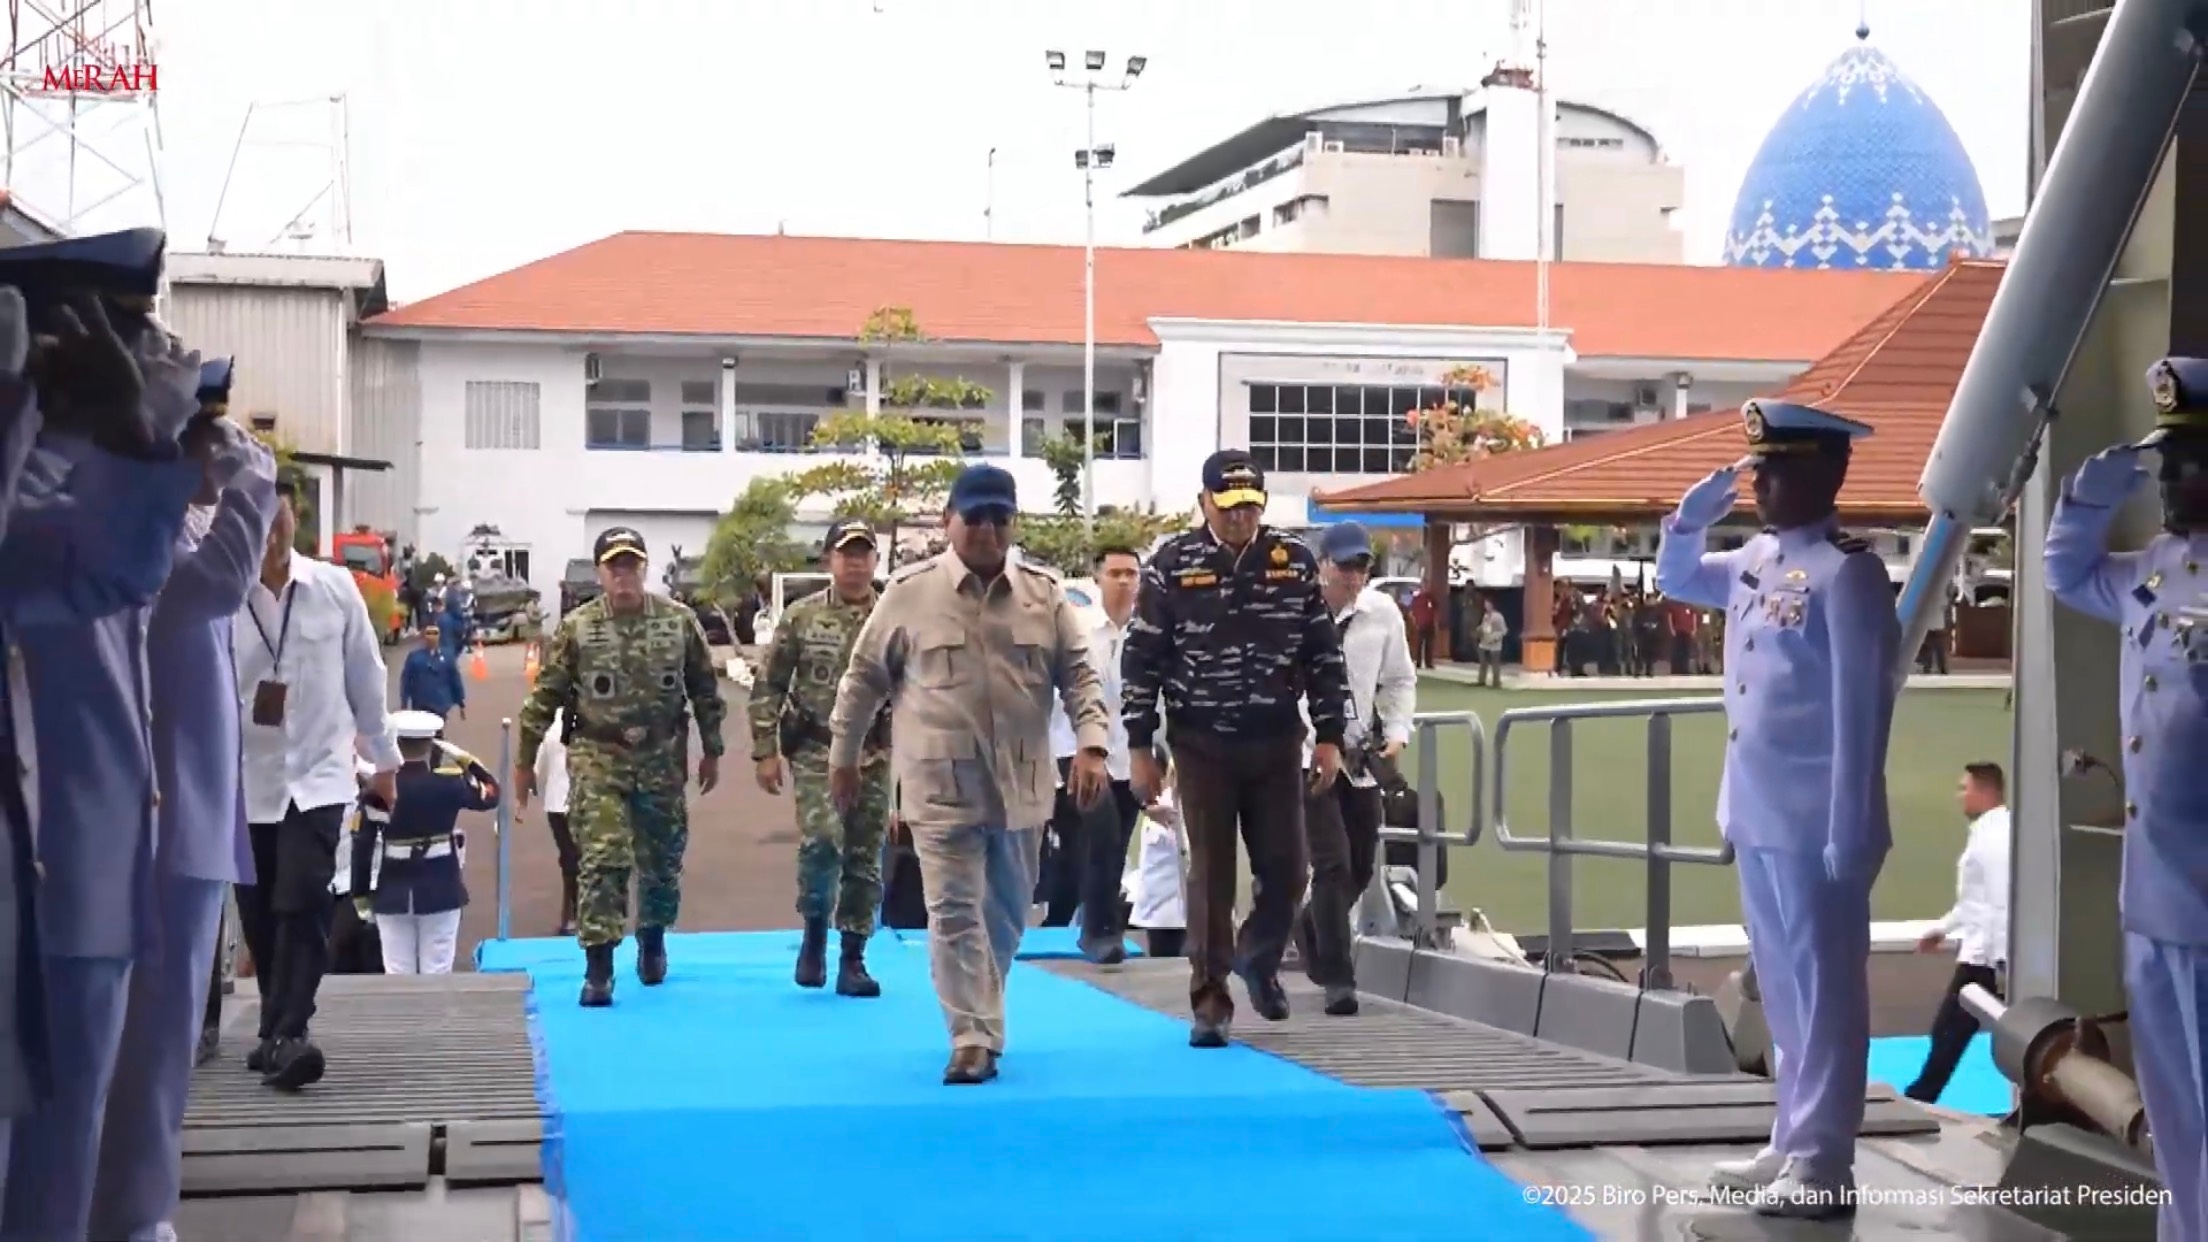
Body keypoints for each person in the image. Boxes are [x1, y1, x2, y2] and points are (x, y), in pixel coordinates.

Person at [0, 259, 209, 1232]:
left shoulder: (74, 486)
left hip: (89, 876)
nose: (153, 366)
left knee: (63, 1168)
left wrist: (136, 440)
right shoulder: (46, 488)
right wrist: (127, 438)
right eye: (132, 345)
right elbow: (116, 572)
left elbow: (122, 569)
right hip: (54, 883)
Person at [1654, 399, 1898, 1219]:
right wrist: (1687, 521)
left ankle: (1826, 1160)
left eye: (1776, 467)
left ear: (1828, 473)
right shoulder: (1759, 557)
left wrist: (1855, 823)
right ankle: (1794, 1137)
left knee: (1827, 991)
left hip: (1818, 821)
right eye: (1757, 467)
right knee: (1787, 991)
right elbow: (1679, 579)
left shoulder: (1848, 572)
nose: (1758, 481)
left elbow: (1864, 711)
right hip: (1757, 811)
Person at [828, 464, 1109, 1085]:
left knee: (1007, 914)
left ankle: (982, 1010)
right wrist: (842, 758)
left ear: (1012, 525)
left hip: (1022, 787)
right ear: (949, 521)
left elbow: (1080, 676)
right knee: (953, 911)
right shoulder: (908, 593)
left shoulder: (1044, 594)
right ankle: (972, 1037)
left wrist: (1092, 744)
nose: (985, 530)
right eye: (973, 517)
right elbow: (862, 681)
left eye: (997, 519)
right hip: (939, 787)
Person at [91, 355, 280, 1242]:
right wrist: (256, 480)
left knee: (158, 1061)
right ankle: (128, 1219)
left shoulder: (172, 517)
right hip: (155, 827)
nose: (221, 449)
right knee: (139, 1061)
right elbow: (214, 587)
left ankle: (138, 1212)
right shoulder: (133, 525)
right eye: (206, 431)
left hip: (188, 822)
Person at [2043, 356, 2208, 1241]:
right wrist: (2085, 498)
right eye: (2165, 463)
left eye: (2192, 463)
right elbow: (2066, 575)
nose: (2174, 480)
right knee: (2177, 1108)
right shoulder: (2152, 567)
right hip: (2152, 896)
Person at [1122, 449, 1349, 1047]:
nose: (1240, 518)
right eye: (1228, 508)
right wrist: (1140, 746)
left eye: (1251, 507)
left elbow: (1323, 655)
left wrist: (1330, 736)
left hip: (1276, 740)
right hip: (1202, 743)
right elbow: (1141, 661)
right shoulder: (1172, 565)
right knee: (1211, 876)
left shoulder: (1293, 562)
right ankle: (1210, 1000)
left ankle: (1257, 955)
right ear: (1204, 503)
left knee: (1289, 869)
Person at [233, 477, 402, 1089]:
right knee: (258, 911)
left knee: (302, 900)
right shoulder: (223, 596)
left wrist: (384, 762)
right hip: (246, 783)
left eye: (276, 514)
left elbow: (366, 675)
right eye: (253, 515)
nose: (269, 528)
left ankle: (289, 1032)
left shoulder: (333, 589)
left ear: (292, 519)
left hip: (320, 778)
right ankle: (274, 1033)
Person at [514, 525, 726, 1007]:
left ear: (644, 569)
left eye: (632, 564)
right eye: (615, 566)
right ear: (601, 573)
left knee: (661, 862)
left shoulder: (678, 622)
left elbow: (706, 690)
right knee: (604, 857)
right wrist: (525, 766)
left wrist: (712, 750)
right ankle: (599, 966)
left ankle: (652, 940)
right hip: (598, 755)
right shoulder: (579, 628)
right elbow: (543, 698)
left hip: (660, 756)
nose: (624, 574)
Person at [748, 517, 891, 996]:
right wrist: (764, 750)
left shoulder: (893, 618)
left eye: (864, 554)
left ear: (875, 560)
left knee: (865, 855)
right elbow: (769, 685)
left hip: (875, 752)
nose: (855, 564)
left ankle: (854, 957)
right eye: (846, 553)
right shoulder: (802, 617)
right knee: (824, 840)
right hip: (816, 750)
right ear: (829, 559)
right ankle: (814, 935)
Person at [1293, 522, 1416, 1016]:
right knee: (1332, 862)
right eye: (1344, 566)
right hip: (1305, 755)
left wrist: (1398, 731)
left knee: (1362, 865)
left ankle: (1308, 927)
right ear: (1322, 565)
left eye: (1362, 566)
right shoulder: (1295, 612)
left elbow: (1399, 679)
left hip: (1360, 758)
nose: (1353, 576)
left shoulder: (1382, 614)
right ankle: (1338, 979)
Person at [1042, 543, 1144, 963]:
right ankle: (1099, 931)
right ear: (1098, 578)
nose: (1123, 581)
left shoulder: (1148, 632)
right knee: (1098, 833)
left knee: (1114, 843)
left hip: (1129, 753)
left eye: (1131, 574)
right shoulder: (1079, 628)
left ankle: (1072, 920)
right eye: (1115, 573)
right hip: (1079, 749)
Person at [353, 710, 499, 975]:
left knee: (397, 973)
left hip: (392, 892)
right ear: (432, 743)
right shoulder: (450, 783)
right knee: (438, 970)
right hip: (440, 887)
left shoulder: (378, 790)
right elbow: (492, 792)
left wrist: (361, 894)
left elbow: (362, 846)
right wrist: (462, 757)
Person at [1905, 762, 2010, 1105]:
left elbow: (2000, 900)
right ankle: (1922, 1095)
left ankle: (1920, 1098)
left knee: (1949, 1030)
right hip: (1985, 953)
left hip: (1987, 958)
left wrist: (2000, 960)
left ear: (1985, 791)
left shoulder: (1994, 836)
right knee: (1951, 1031)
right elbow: (1975, 900)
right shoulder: (1988, 832)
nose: (1959, 796)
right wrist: (1943, 928)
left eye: (1964, 788)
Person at [534, 708, 578, 935]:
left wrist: (526, 790)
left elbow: (535, 764)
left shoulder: (549, 724)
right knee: (576, 861)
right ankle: (572, 916)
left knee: (570, 860)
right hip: (579, 802)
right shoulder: (593, 719)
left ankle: (571, 915)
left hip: (556, 804)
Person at [399, 621, 467, 721]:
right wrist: (404, 702)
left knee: (438, 732)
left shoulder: (447, 657)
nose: (432, 637)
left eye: (435, 633)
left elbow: (455, 679)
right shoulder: (414, 657)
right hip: (421, 703)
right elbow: (406, 680)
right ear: (424, 636)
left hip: (441, 703)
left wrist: (461, 703)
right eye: (429, 633)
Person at [1474, 596, 1507, 687]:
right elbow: (1484, 626)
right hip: (1484, 643)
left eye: (1487, 604)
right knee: (1483, 663)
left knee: (1495, 664)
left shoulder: (1498, 617)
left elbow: (1503, 630)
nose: (1485, 606)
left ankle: (1496, 682)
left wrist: (1495, 637)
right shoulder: (1485, 616)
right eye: (1485, 604)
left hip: (1495, 645)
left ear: (1492, 605)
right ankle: (1481, 680)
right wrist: (1478, 630)